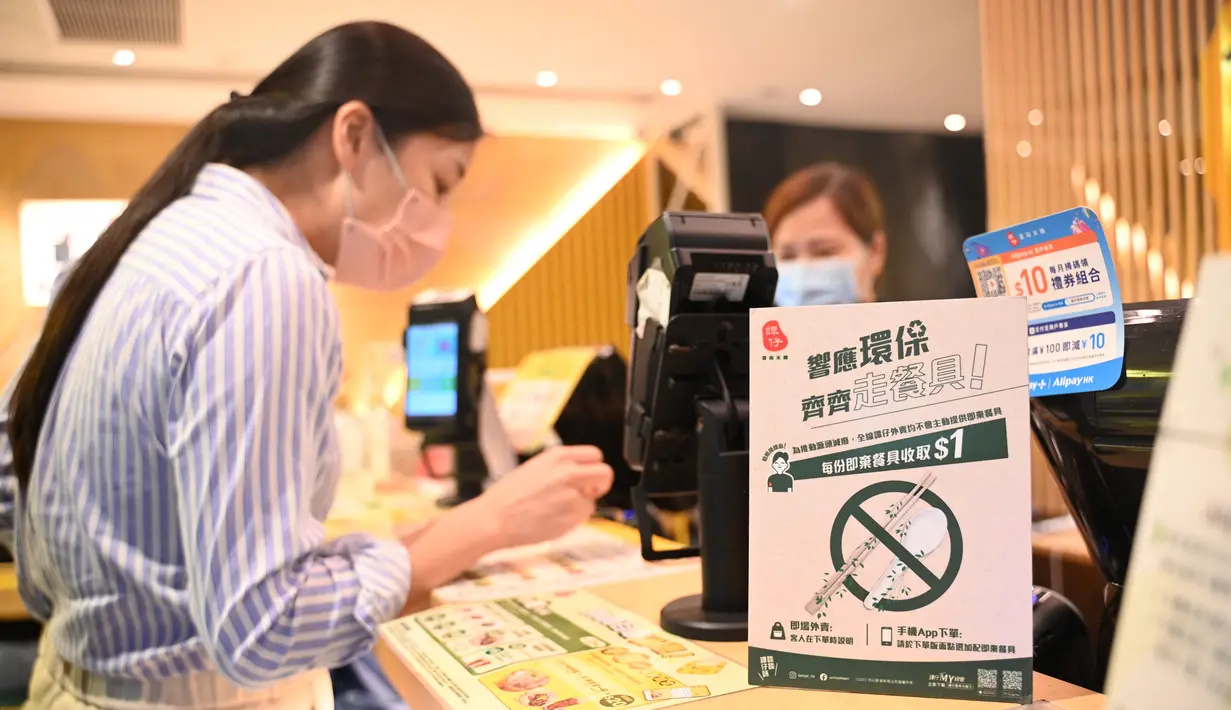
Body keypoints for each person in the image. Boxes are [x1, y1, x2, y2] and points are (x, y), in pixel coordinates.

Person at [0, 21, 612, 709]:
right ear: (352, 135)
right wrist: (485, 525)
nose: (438, 220)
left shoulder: (151, 241)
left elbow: (10, 471)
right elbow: (264, 627)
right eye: (439, 183)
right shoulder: (266, 277)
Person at [763, 162, 889, 306]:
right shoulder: (753, 327)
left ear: (875, 252)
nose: (803, 270)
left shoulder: (908, 326)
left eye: (824, 252)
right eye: (788, 256)